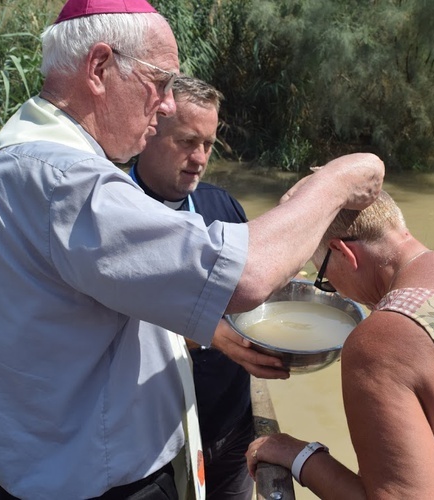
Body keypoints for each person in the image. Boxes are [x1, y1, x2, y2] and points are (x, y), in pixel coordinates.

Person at [0, 0, 385, 499]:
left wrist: (217, 334)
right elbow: (248, 275)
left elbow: (115, 296)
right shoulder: (63, 178)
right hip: (94, 485)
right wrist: (336, 182)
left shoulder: (36, 159)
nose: (164, 105)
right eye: (158, 81)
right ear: (98, 68)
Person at [246, 191, 434, 499]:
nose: (333, 288)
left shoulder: (381, 342)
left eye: (323, 276)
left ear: (343, 252)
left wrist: (299, 456)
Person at [132, 75, 255, 500]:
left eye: (208, 143)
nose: (200, 158)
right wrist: (211, 334)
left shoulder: (224, 207)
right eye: (187, 141)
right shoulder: (114, 214)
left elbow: (249, 294)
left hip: (233, 424)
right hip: (155, 444)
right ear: (149, 132)